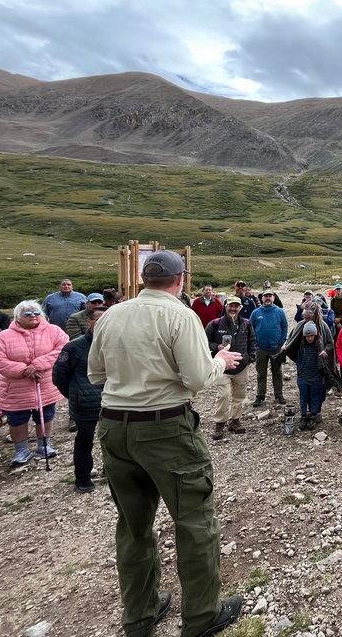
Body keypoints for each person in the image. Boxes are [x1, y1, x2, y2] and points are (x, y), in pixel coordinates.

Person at [87, 249, 244, 637]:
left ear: (144, 278)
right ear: (181, 280)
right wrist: (220, 360)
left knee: (133, 524)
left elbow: (95, 373)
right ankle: (203, 615)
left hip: (113, 427)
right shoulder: (180, 314)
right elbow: (195, 379)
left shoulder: (112, 315)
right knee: (194, 520)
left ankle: (140, 615)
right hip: (164, 427)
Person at [0, 300, 68, 467]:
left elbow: (62, 349)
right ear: (18, 317)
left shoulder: (54, 331)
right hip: (15, 387)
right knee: (17, 418)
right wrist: (24, 369)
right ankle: (21, 450)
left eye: (36, 313)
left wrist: (38, 365)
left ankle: (44, 445)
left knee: (46, 415)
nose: (33, 315)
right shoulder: (4, 336)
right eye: (27, 313)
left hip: (44, 382)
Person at [52, 307, 105, 493]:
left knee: (112, 439)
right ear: (89, 322)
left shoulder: (118, 344)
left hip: (113, 402)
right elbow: (59, 376)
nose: (103, 323)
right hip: (84, 404)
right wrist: (76, 394)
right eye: (98, 320)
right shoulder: (73, 347)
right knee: (85, 441)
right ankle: (82, 478)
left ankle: (110, 470)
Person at [205, 296, 256, 440]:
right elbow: (204, 342)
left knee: (239, 396)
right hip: (222, 367)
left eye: (236, 306)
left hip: (241, 367)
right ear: (225, 306)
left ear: (240, 308)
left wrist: (250, 358)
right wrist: (217, 347)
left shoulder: (246, 324)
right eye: (230, 306)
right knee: (224, 395)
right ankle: (220, 422)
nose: (233, 309)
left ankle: (235, 420)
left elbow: (252, 341)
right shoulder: (214, 324)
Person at [249, 290, 289, 406]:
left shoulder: (280, 311)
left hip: (276, 348)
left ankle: (279, 395)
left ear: (273, 298)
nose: (267, 298)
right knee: (261, 373)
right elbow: (250, 328)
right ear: (262, 298)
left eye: (270, 296)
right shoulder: (256, 312)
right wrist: (254, 343)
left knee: (277, 372)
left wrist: (281, 342)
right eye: (265, 296)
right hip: (261, 348)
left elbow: (284, 326)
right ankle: (260, 395)